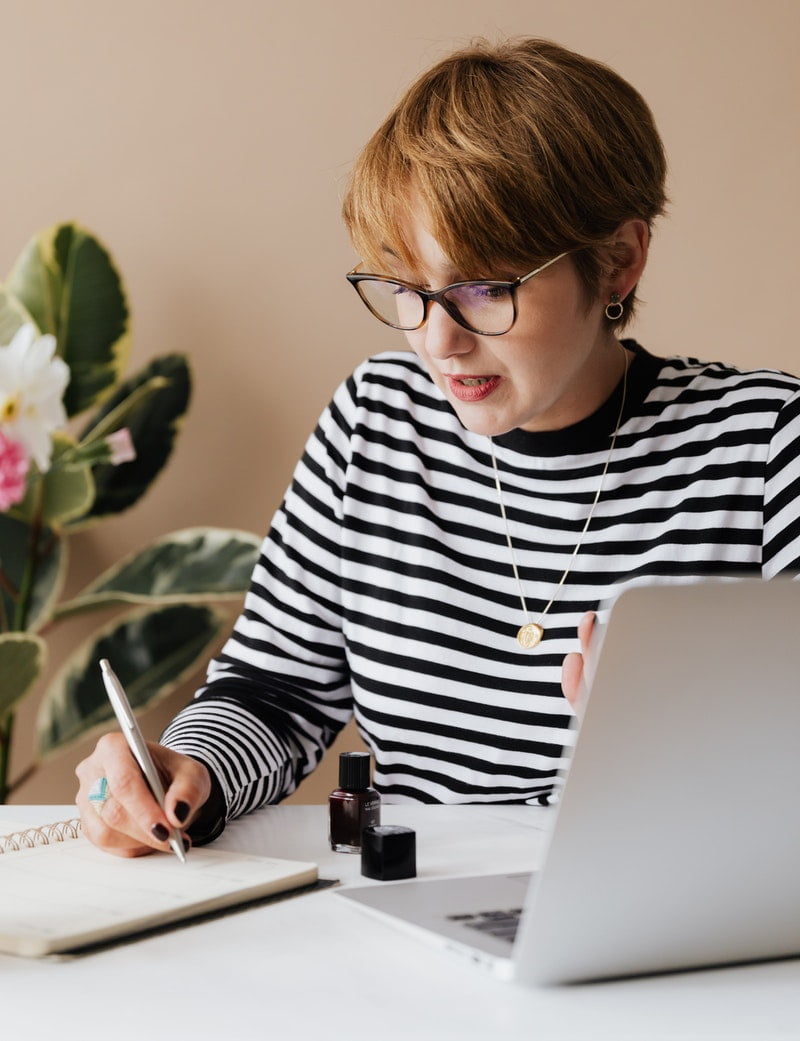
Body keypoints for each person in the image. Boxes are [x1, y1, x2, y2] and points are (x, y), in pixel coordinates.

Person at [75, 37, 800, 856]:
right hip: (412, 907)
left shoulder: (768, 445)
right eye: (408, 289)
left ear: (619, 262)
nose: (437, 341)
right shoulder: (375, 420)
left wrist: (687, 742)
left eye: (484, 289)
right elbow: (275, 692)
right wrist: (186, 770)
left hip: (666, 902)